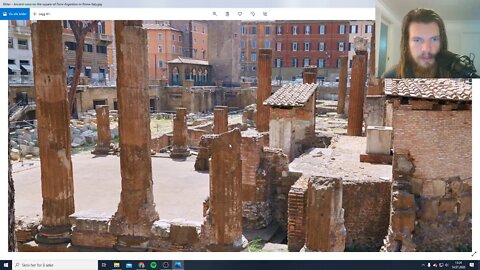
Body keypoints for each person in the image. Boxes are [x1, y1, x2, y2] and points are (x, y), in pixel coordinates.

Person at [383, 8, 451, 78]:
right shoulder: (390, 77)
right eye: (417, 40)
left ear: (442, 42)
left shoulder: (455, 78)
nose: (426, 49)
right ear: (407, 44)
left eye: (434, 39)